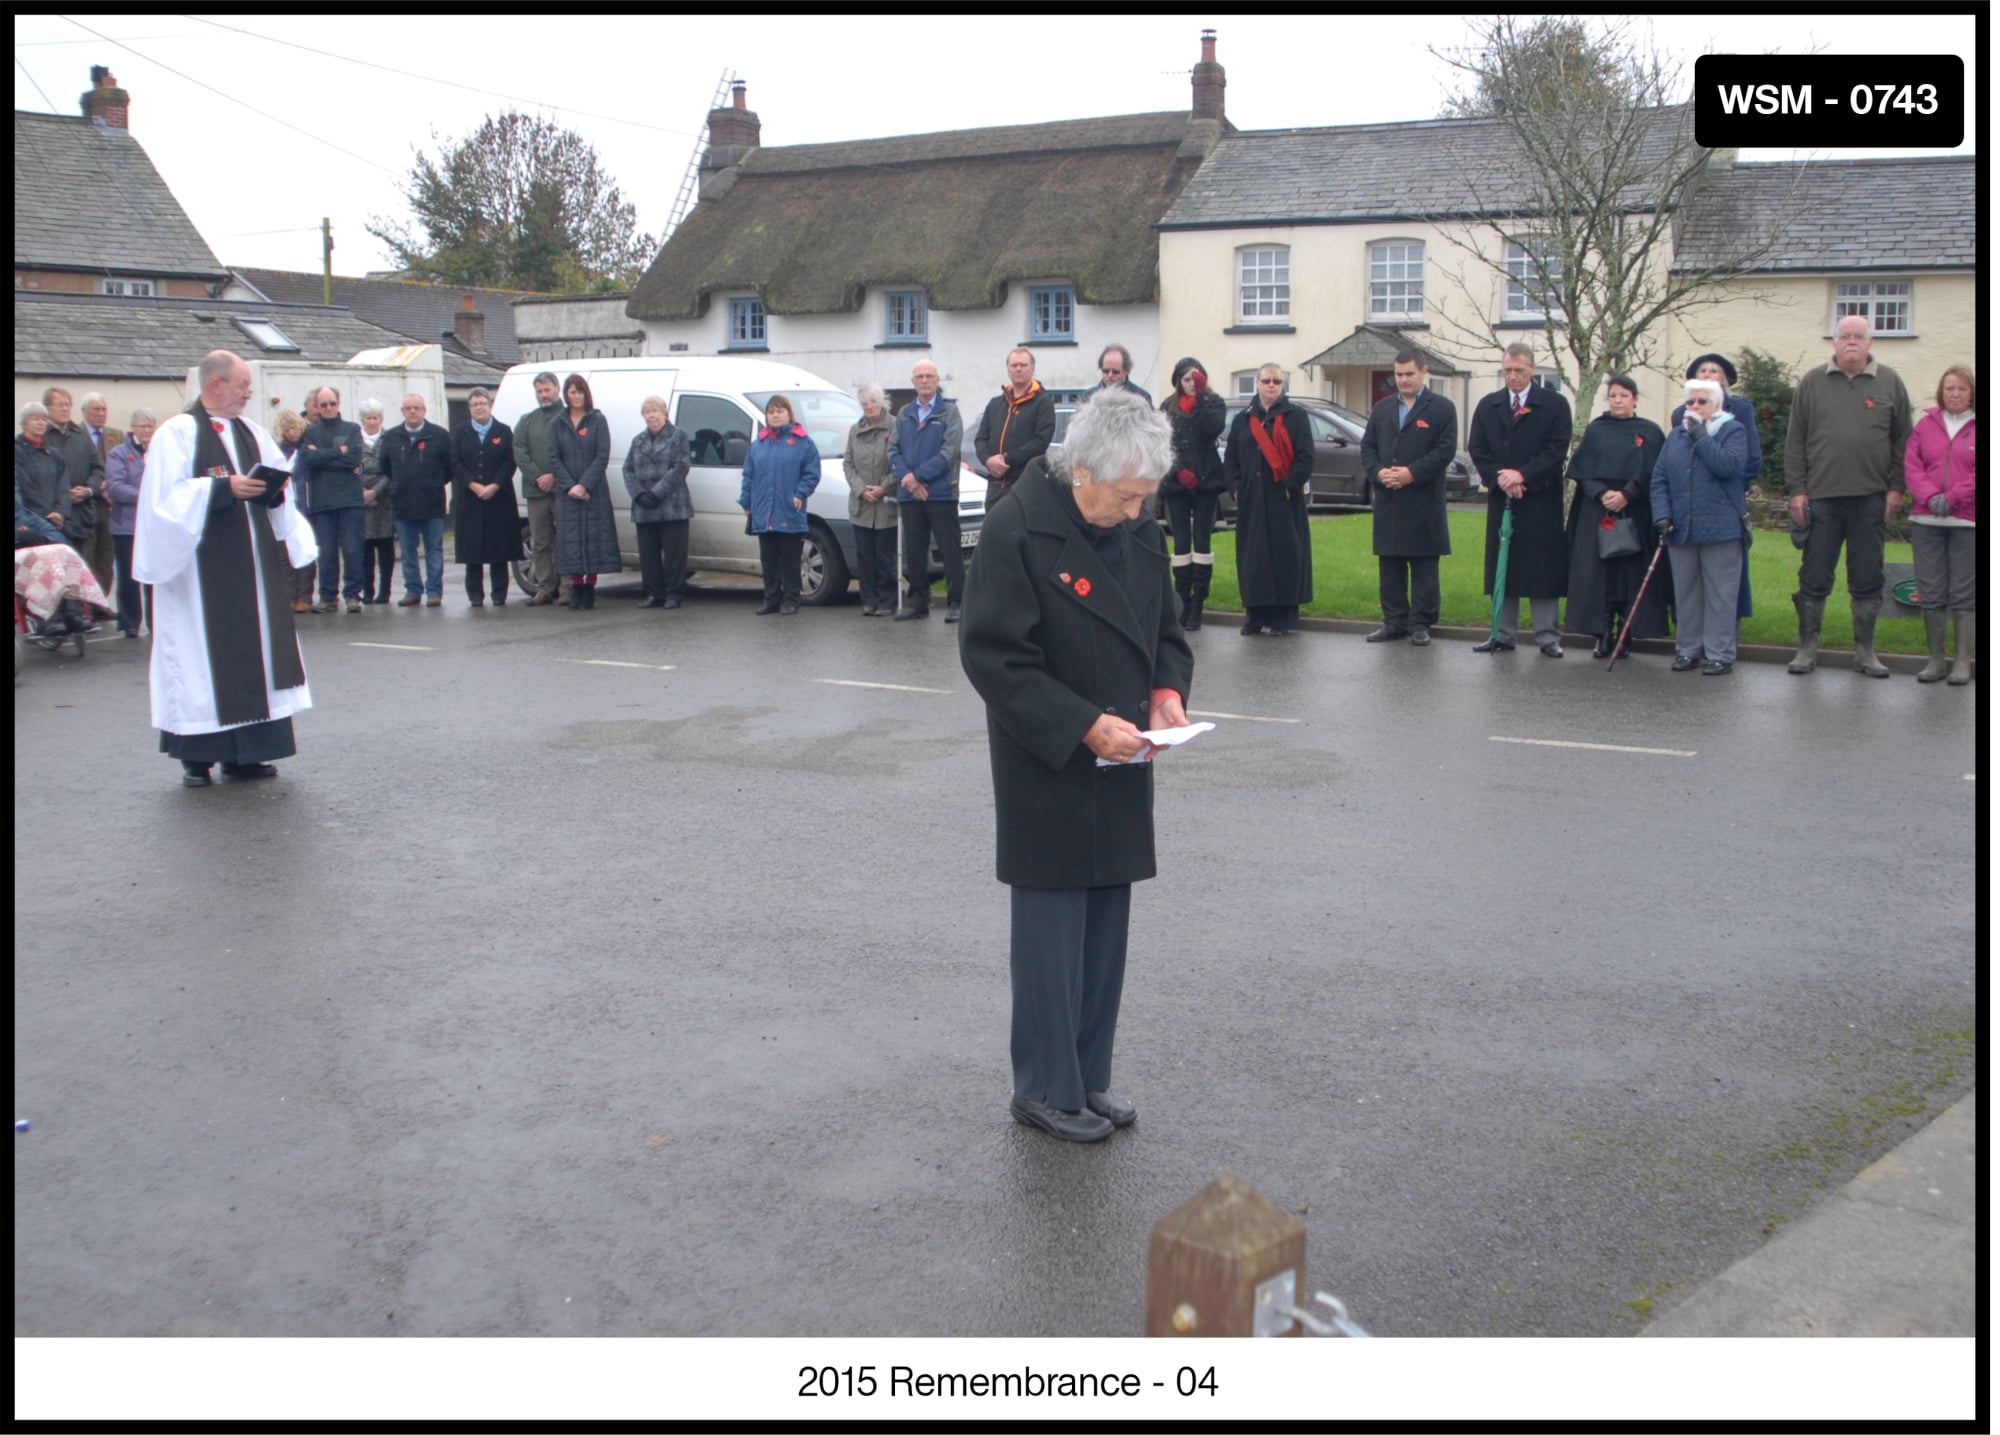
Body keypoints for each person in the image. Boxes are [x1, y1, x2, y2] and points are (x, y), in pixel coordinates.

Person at [957, 389, 1194, 1143]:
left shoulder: (1138, 524)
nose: (1133, 513)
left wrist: (1166, 690)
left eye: (1143, 499)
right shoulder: (1017, 529)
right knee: (1053, 937)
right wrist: (1085, 727)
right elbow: (994, 657)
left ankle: (1088, 1078)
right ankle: (1044, 1087)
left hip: (1125, 752)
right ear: (1082, 471)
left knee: (1104, 934)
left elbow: (1166, 628)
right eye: (1124, 497)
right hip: (1052, 758)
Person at [132, 350, 317, 787]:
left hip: (252, 571)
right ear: (215, 385)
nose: (249, 394)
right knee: (202, 658)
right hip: (199, 577)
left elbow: (278, 485)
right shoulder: (176, 434)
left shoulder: (252, 432)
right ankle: (198, 756)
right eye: (242, 385)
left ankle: (249, 753)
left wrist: (273, 491)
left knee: (256, 653)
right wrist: (222, 487)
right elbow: (162, 504)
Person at [1784, 315, 1912, 676]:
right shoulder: (1812, 382)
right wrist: (1798, 490)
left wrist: (1897, 488)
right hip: (1821, 498)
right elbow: (1795, 440)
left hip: (1871, 498)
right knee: (1814, 575)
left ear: (1870, 343)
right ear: (1835, 343)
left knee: (1868, 576)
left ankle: (1865, 653)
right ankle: (1807, 649)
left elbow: (1904, 440)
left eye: (1859, 336)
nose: (1852, 341)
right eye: (1845, 336)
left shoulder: (1890, 382)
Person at [1468, 343, 1572, 656]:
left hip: (1539, 497)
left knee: (1542, 566)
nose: (1513, 376)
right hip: (1504, 497)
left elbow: (1556, 450)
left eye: (1519, 370)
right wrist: (1501, 477)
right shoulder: (1489, 405)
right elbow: (1478, 448)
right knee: (1505, 564)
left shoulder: (1554, 405)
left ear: (1532, 369)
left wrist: (1523, 475)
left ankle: (1547, 636)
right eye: (1508, 370)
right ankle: (1502, 633)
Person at [1562, 376, 1669, 658]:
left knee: (1629, 574)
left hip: (1634, 510)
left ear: (1634, 400)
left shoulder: (1649, 431)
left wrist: (1628, 494)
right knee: (1599, 577)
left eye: (1623, 395)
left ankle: (1626, 632)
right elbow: (1583, 471)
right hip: (1598, 511)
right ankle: (1602, 633)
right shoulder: (1597, 430)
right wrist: (1602, 494)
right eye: (1613, 396)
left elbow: (1654, 472)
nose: (1618, 400)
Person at [1651, 379, 1750, 675]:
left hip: (1721, 527)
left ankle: (1719, 653)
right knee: (1687, 593)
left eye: (1701, 402)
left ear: (1717, 405)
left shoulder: (1732, 430)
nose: (1693, 407)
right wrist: (1662, 514)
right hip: (1682, 526)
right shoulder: (1676, 436)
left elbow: (1729, 466)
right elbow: (1660, 479)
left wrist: (1701, 437)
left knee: (1721, 593)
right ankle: (1687, 650)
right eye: (1689, 402)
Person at [1360, 349, 1458, 646]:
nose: (1403, 380)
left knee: (1424, 563)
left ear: (1423, 372)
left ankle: (1421, 623)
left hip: (1423, 498)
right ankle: (1394, 621)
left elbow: (1445, 451)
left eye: (1409, 374)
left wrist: (1411, 473)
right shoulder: (1382, 409)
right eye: (1399, 374)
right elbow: (1368, 448)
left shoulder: (1441, 408)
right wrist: (1379, 473)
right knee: (1390, 564)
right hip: (1389, 498)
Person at [1222, 363, 1314, 635]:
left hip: (1284, 498)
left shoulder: (1296, 416)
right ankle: (1255, 614)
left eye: (1276, 381)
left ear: (1282, 385)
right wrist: (1237, 488)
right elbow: (1232, 459)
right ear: (1257, 384)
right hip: (1251, 499)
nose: (1271, 385)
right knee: (1254, 557)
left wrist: (1290, 485)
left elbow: (1305, 455)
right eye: (1266, 381)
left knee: (1286, 555)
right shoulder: (1242, 419)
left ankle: (1283, 616)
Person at [1903, 365, 1977, 685]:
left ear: (1971, 392)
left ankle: (1962, 660)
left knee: (1963, 592)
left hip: (1967, 520)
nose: (1956, 394)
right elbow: (1912, 465)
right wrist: (1931, 496)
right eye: (1950, 389)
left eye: (1961, 388)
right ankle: (1935, 660)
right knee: (1931, 591)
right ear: (1941, 392)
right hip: (1926, 518)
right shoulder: (1925, 426)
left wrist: (1954, 498)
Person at [890, 360, 965, 621]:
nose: (924, 381)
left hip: (941, 492)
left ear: (937, 380)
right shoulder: (904, 414)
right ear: (913, 382)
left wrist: (918, 478)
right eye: (919, 376)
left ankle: (957, 602)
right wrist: (908, 480)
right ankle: (918, 602)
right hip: (910, 495)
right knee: (915, 549)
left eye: (929, 376)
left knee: (949, 549)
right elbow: (893, 451)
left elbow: (949, 452)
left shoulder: (950, 412)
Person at [1157, 357, 1227, 631]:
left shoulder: (1213, 402)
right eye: (1186, 379)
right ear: (1177, 381)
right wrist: (1177, 471)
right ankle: (1182, 599)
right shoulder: (1167, 407)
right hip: (1177, 482)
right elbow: (1161, 444)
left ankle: (1199, 602)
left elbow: (1215, 428)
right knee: (1181, 542)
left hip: (1206, 480)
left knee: (1202, 540)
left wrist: (1202, 397)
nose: (1190, 384)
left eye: (1195, 379)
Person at [739, 393, 821, 615]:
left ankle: (792, 599)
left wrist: (800, 494)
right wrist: (746, 502)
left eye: (779, 411)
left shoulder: (803, 442)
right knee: (769, 559)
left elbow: (812, 473)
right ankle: (770, 599)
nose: (775, 415)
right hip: (764, 511)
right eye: (771, 412)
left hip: (789, 508)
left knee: (790, 559)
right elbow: (748, 475)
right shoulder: (758, 444)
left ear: (789, 414)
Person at [548, 374, 619, 610]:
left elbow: (602, 456)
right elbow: (554, 458)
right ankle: (576, 588)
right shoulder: (557, 423)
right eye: (571, 392)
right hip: (567, 494)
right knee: (572, 543)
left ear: (585, 394)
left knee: (593, 541)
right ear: (566, 395)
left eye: (579, 391)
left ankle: (590, 589)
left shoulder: (598, 420)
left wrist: (584, 485)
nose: (576, 396)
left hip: (594, 492)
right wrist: (570, 486)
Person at [297, 386, 368, 614]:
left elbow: (354, 459)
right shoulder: (310, 432)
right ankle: (327, 597)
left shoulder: (352, 429)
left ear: (339, 404)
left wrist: (323, 455)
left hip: (350, 500)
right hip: (322, 502)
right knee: (326, 553)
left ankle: (353, 595)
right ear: (316, 406)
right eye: (323, 404)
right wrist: (339, 452)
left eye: (332, 403)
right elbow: (308, 459)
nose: (328, 408)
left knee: (352, 550)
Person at [452, 387, 523, 607]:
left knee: (498, 548)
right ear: (469, 408)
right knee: (473, 549)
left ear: (490, 405)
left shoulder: (504, 431)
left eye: (482, 403)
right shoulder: (459, 433)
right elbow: (455, 463)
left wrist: (494, 485)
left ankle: (499, 593)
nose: (478, 407)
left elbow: (510, 462)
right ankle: (475, 595)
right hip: (470, 498)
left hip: (498, 497)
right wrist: (473, 485)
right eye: (474, 404)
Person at [381, 393, 452, 607]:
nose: (413, 412)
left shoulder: (439, 436)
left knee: (434, 549)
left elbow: (449, 468)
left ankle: (434, 592)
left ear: (424, 411)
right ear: (402, 411)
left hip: (432, 503)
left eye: (417, 408)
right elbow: (385, 467)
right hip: (403, 503)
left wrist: (432, 483)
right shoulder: (391, 437)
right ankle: (412, 591)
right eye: (408, 408)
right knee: (407, 551)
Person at [42, 388, 103, 629]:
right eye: (59, 404)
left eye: (68, 404)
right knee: (54, 567)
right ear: (47, 408)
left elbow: (98, 468)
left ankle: (75, 615)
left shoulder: (80, 435)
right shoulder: (43, 436)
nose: (65, 408)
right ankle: (52, 616)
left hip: (81, 512)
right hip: (54, 514)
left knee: (75, 565)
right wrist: (61, 500)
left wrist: (89, 489)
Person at [624, 395, 692, 610]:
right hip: (644, 506)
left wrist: (657, 493)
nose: (651, 415)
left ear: (665, 413)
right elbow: (627, 469)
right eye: (647, 411)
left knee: (674, 554)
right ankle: (653, 593)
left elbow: (681, 467)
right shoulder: (638, 440)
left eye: (655, 411)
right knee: (648, 554)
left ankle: (673, 594)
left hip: (672, 504)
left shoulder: (678, 436)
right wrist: (639, 495)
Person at [971, 348, 1054, 509]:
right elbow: (980, 438)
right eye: (1014, 365)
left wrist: (1006, 460)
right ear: (1008, 370)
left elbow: (1040, 441)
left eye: (1023, 365)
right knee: (994, 532)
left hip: (1025, 484)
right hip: (995, 485)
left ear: (1033, 369)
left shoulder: (1043, 403)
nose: (1018, 368)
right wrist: (988, 461)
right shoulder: (995, 404)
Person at [842, 385, 898, 616]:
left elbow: (902, 460)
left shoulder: (896, 425)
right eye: (865, 403)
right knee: (865, 556)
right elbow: (848, 463)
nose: (870, 406)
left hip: (886, 503)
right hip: (861, 504)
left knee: (885, 557)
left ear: (882, 402)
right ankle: (868, 599)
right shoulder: (855, 430)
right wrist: (861, 489)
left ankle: (887, 601)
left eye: (874, 402)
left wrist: (884, 487)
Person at [103, 407, 157, 637]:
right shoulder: (118, 453)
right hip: (127, 525)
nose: (147, 430)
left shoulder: (159, 451)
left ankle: (157, 622)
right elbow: (115, 487)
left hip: (154, 525)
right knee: (128, 575)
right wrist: (146, 496)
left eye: (150, 426)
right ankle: (129, 622)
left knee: (155, 576)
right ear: (132, 427)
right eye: (142, 426)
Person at [513, 371, 565, 606]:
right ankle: (545, 587)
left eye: (547, 390)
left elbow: (572, 452)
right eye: (539, 391)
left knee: (565, 539)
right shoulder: (527, 421)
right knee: (540, 542)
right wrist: (539, 477)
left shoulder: (567, 417)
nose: (543, 395)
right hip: (536, 492)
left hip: (563, 490)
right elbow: (520, 452)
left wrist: (555, 476)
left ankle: (567, 587)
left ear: (557, 389)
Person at [273, 409, 317, 613]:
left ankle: (305, 596)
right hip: (285, 509)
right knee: (285, 555)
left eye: (295, 428)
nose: (292, 432)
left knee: (306, 552)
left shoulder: (307, 450)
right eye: (288, 429)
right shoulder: (276, 452)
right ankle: (288, 596)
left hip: (305, 506)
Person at [79, 392, 122, 593]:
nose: (101, 413)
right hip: (85, 502)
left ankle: (103, 598)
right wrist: (98, 486)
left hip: (109, 503)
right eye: (96, 409)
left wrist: (110, 485)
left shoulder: (117, 435)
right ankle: (89, 599)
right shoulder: (76, 435)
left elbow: (120, 464)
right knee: (88, 551)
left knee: (107, 550)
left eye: (103, 409)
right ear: (84, 411)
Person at [356, 399, 395, 603]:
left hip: (384, 500)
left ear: (381, 419)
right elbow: (349, 468)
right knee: (365, 550)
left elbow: (393, 469)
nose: (372, 422)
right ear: (362, 420)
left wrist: (376, 492)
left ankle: (385, 591)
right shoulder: (354, 440)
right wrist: (363, 493)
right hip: (361, 500)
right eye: (368, 418)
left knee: (385, 548)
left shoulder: (389, 438)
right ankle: (367, 591)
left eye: (375, 418)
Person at [1078, 343, 1153, 406]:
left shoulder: (1142, 397)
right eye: (1106, 371)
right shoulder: (1087, 397)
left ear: (1126, 371)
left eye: (1115, 372)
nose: (1110, 375)